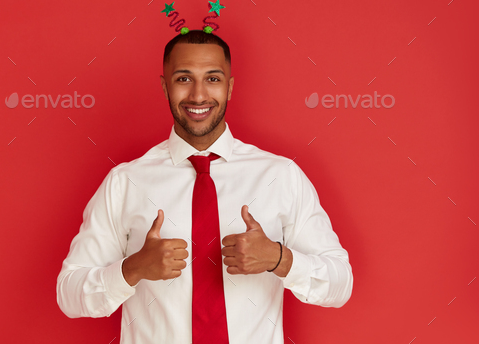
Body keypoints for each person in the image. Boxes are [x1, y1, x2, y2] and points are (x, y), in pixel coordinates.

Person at [56, 30, 353, 343]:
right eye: (184, 79)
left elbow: (340, 285)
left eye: (213, 79)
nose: (198, 96)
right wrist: (132, 269)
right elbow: (69, 294)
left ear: (230, 86)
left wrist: (279, 259)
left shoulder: (281, 176)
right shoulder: (126, 182)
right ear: (164, 86)